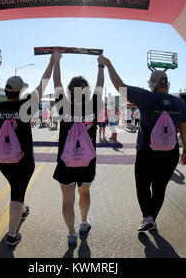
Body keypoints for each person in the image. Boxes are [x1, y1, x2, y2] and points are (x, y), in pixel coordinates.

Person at [100, 56, 186, 232]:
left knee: (142, 186)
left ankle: (147, 217)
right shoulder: (180, 104)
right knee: (159, 188)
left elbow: (119, 85)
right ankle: (152, 218)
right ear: (167, 84)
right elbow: (184, 131)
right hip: (170, 154)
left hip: (146, 152)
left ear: (153, 84)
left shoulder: (146, 97)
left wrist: (109, 65)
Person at [0, 55, 54, 247]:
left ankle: (22, 208)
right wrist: (52, 63)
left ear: (7, 90)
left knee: (16, 185)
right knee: (17, 192)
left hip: (1, 159)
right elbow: (43, 85)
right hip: (24, 159)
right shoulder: (25, 106)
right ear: (21, 92)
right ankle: (12, 235)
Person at [52, 52, 104, 246]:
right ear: (88, 91)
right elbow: (101, 86)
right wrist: (101, 65)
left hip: (65, 161)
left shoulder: (63, 106)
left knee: (67, 200)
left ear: (69, 91)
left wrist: (56, 62)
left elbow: (56, 82)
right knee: (84, 193)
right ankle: (83, 222)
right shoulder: (94, 105)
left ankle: (71, 233)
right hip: (87, 161)